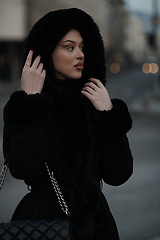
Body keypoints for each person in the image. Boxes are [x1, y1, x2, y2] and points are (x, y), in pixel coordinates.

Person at [3, 8, 133, 240]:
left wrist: (107, 114)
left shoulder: (94, 102)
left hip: (97, 223)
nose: (80, 54)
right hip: (43, 224)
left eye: (82, 47)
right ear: (46, 52)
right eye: (69, 47)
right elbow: (24, 168)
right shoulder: (24, 106)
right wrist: (32, 101)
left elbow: (119, 174)